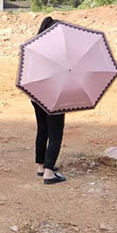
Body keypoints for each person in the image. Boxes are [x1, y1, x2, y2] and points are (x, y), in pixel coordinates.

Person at [32, 16, 66, 185]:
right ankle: (49, 172)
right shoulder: (60, 52)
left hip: (35, 94)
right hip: (54, 96)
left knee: (42, 130)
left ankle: (41, 166)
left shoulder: (35, 48)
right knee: (55, 134)